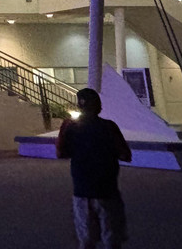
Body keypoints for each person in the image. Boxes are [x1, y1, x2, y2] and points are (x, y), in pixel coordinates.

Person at [56, 88, 132, 249]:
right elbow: (125, 155)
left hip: (82, 190)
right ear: (99, 106)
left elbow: (61, 153)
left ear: (79, 106)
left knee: (86, 240)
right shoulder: (109, 127)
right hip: (107, 190)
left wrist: (64, 130)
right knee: (112, 239)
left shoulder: (70, 128)